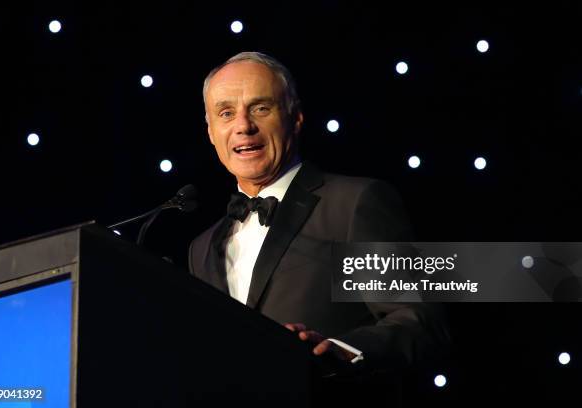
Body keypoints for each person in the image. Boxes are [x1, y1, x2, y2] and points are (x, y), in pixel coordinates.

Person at [188, 51, 449, 375]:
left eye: (261, 108)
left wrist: (340, 352)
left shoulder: (353, 205)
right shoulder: (201, 248)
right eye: (226, 113)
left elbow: (417, 320)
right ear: (211, 131)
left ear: (295, 117)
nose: (243, 126)